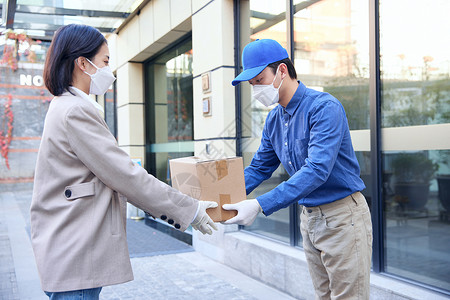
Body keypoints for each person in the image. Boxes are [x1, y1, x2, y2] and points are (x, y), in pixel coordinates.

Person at [30, 24, 217, 299]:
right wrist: (190, 210)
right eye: (105, 61)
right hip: (77, 252)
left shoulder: (67, 106)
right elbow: (125, 175)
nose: (109, 71)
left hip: (69, 249)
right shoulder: (75, 111)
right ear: (82, 63)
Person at [222, 39, 373, 300]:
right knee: (324, 296)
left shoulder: (323, 108)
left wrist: (258, 205)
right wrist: (221, 198)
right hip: (310, 219)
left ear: (282, 71)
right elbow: (259, 168)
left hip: (342, 217)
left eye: (259, 80)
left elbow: (316, 170)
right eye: (252, 84)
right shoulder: (273, 120)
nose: (256, 89)